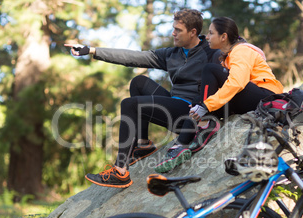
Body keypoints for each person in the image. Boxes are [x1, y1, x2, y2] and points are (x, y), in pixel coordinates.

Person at [65, 9, 219, 188]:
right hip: (174, 104)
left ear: (193, 32)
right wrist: (92, 50)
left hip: (191, 114)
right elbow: (134, 57)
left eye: (178, 30)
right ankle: (143, 144)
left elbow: (233, 61)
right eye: (173, 28)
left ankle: (120, 170)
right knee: (138, 82)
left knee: (130, 105)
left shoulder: (210, 52)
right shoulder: (172, 54)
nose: (173, 33)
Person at [188, 16, 284, 153]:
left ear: (223, 36)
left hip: (266, 96)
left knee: (210, 69)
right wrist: (201, 104)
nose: (207, 37)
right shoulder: (227, 57)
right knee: (197, 100)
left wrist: (206, 106)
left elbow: (238, 82)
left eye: (211, 32)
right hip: (249, 100)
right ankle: (192, 137)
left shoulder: (241, 51)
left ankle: (205, 125)